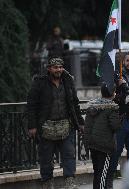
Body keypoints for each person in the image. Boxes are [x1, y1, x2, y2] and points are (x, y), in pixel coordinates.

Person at [27, 57, 85, 189]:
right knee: (45, 157)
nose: (58, 70)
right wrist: (32, 126)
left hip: (66, 125)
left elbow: (74, 103)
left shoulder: (68, 81)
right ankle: (47, 182)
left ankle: (70, 181)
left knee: (69, 155)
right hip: (45, 126)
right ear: (49, 69)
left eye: (60, 67)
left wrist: (80, 123)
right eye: (55, 67)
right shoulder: (39, 83)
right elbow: (31, 105)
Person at [106, 51, 129, 189]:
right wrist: (118, 86)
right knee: (115, 152)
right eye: (128, 61)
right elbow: (108, 94)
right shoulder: (115, 76)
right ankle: (109, 180)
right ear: (123, 61)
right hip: (119, 121)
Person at [83, 82, 121, 189]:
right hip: (105, 146)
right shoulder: (112, 108)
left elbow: (87, 126)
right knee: (103, 175)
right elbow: (115, 126)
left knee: (97, 173)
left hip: (93, 144)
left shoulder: (92, 107)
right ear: (113, 93)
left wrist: (87, 143)